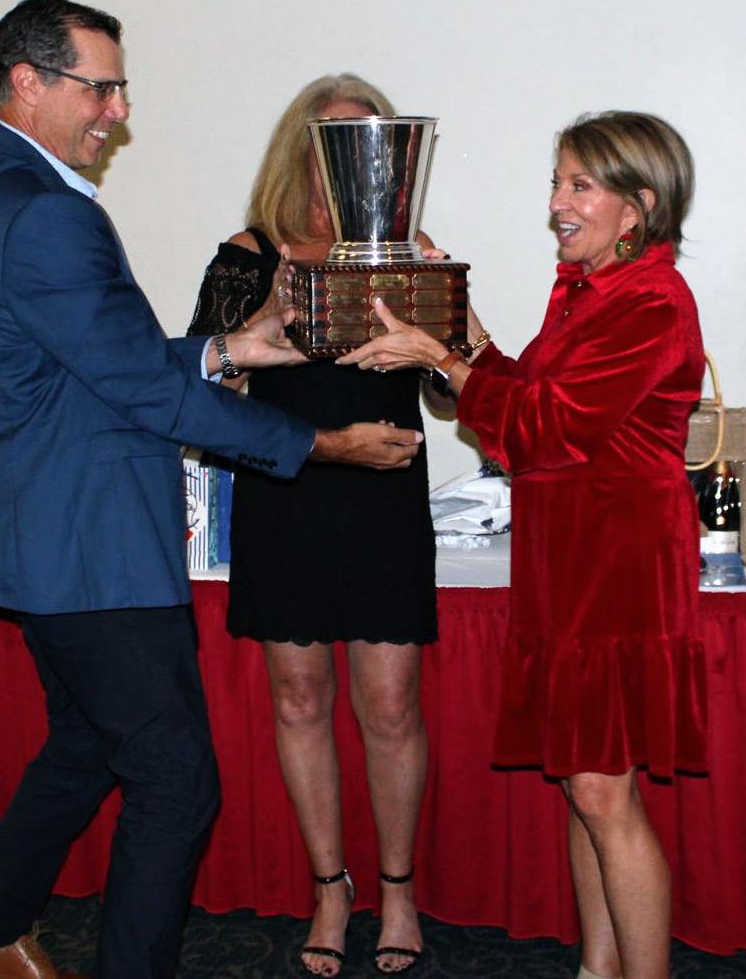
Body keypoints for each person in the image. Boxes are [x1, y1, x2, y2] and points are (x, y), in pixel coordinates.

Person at [0, 0, 424, 979]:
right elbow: (143, 393)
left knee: (84, 744)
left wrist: (230, 348)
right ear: (28, 82)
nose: (118, 110)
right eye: (101, 87)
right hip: (93, 551)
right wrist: (320, 442)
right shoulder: (46, 213)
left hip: (40, 544)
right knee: (176, 783)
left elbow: (96, 364)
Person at [340, 111, 705, 979]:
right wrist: (450, 316)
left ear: (636, 207)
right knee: (587, 785)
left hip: (616, 565)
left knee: (602, 791)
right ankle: (598, 968)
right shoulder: (590, 293)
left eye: (579, 186)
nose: (556, 205)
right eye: (556, 183)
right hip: (571, 557)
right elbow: (517, 392)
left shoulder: (651, 301)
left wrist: (441, 358)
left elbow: (542, 429)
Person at [186, 74, 436, 976]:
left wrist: (441, 308)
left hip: (384, 496)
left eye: (365, 142)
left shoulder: (405, 252)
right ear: (302, 149)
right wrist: (263, 318)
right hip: (286, 492)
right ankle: (330, 888)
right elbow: (201, 385)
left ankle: (398, 891)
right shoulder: (248, 254)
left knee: (390, 706)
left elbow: (454, 395)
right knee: (297, 700)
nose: (348, 160)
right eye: (332, 140)